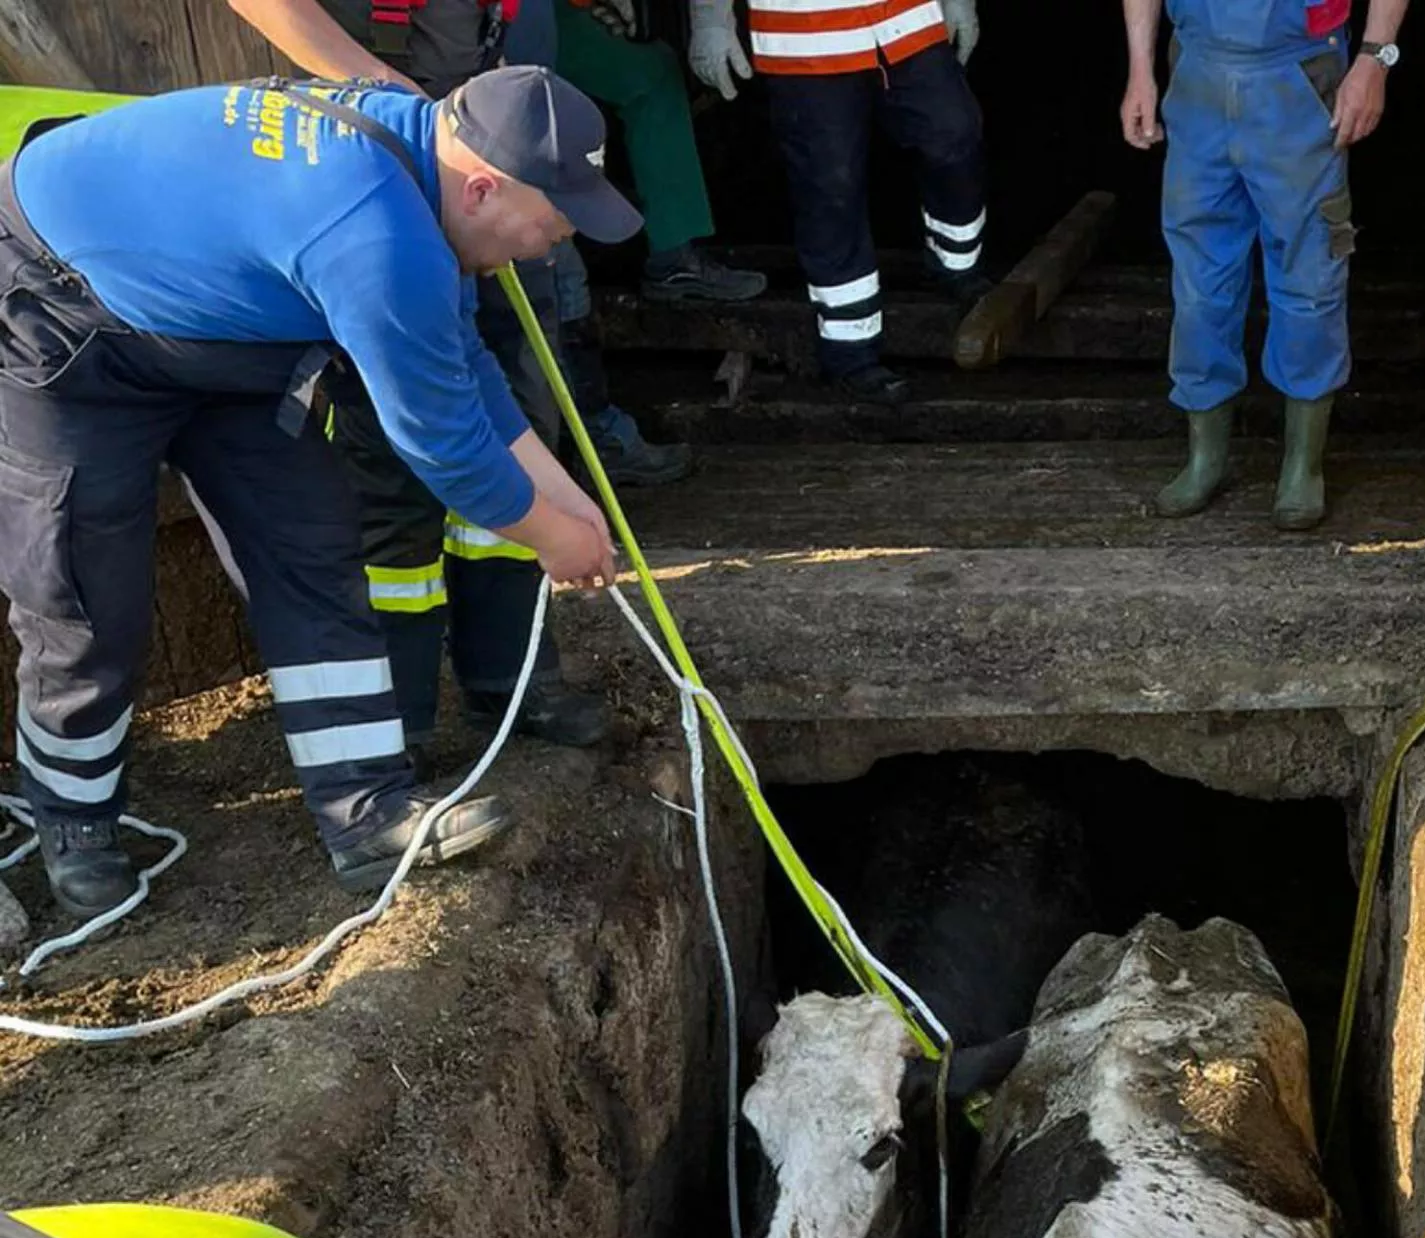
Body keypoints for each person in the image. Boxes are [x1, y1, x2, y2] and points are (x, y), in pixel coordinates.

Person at [0, 68, 623, 914]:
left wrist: (566, 497)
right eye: (548, 226)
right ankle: (73, 818)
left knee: (313, 547)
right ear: (482, 187)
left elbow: (465, 364)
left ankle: (366, 814)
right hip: (62, 316)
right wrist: (554, 538)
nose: (547, 248)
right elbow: (442, 444)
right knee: (84, 591)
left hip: (219, 330)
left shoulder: (414, 158)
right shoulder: (378, 234)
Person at [229, 0, 632, 765]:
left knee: (519, 414)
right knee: (393, 460)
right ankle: (399, 718)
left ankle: (511, 676)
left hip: (516, 180)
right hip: (411, 172)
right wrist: (372, 78)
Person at [1119, 0, 1407, 528]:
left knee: (1310, 275)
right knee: (1200, 284)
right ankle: (1205, 457)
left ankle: (1302, 464)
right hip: (1199, 75)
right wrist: (1140, 69)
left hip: (1298, 74)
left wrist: (1374, 59)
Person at [686, 0, 991, 404]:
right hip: (804, 39)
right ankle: (850, 350)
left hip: (908, 23)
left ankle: (959, 269)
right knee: (829, 188)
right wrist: (711, 19)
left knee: (953, 133)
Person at [506, 0, 764, 468]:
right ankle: (587, 438)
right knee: (552, 277)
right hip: (479, 60)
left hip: (525, 28)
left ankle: (673, 255)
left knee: (649, 74)